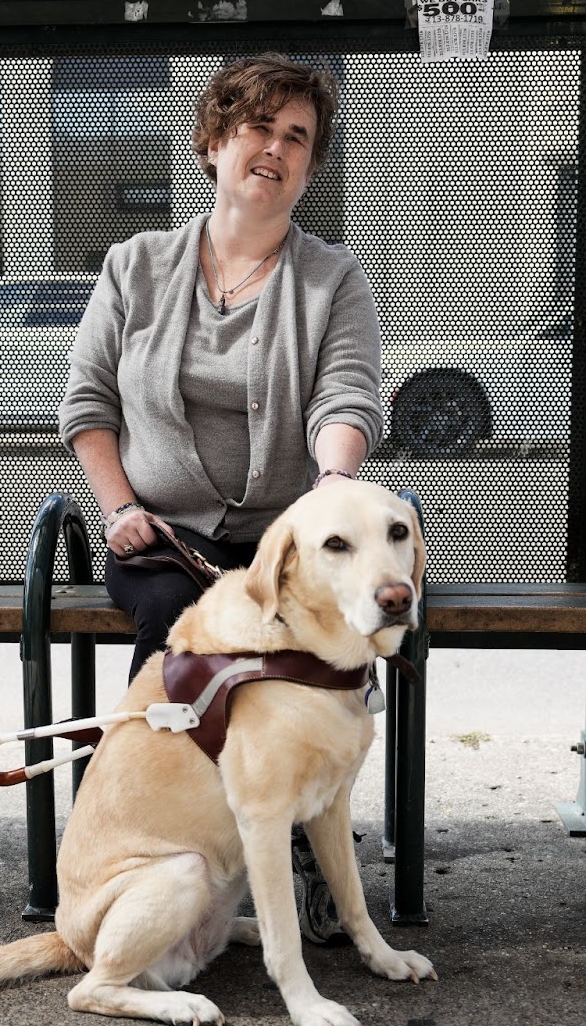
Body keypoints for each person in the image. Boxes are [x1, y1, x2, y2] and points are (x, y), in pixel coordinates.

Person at [58, 54, 384, 947]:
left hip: (279, 536)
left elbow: (345, 398)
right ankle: (169, 833)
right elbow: (87, 404)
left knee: (327, 622)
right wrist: (120, 506)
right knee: (172, 616)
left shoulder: (332, 280)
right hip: (161, 537)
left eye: (296, 136)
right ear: (213, 141)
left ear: (311, 165)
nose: (274, 148)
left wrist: (331, 493)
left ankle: (308, 825)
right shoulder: (137, 265)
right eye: (257, 126)